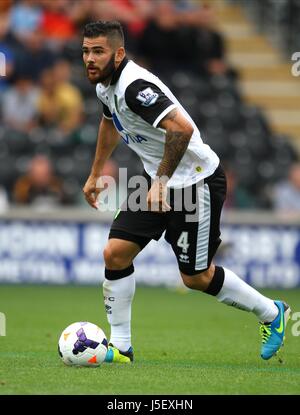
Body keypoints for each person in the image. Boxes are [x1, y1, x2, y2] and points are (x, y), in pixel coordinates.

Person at [82, 21, 291, 364]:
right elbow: (109, 123)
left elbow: (181, 128)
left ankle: (272, 312)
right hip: (156, 182)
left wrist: (161, 183)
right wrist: (94, 174)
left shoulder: (134, 86)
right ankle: (121, 347)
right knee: (115, 254)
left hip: (196, 183)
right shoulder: (105, 87)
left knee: (196, 277)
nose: (90, 58)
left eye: (98, 51)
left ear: (118, 53)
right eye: (86, 51)